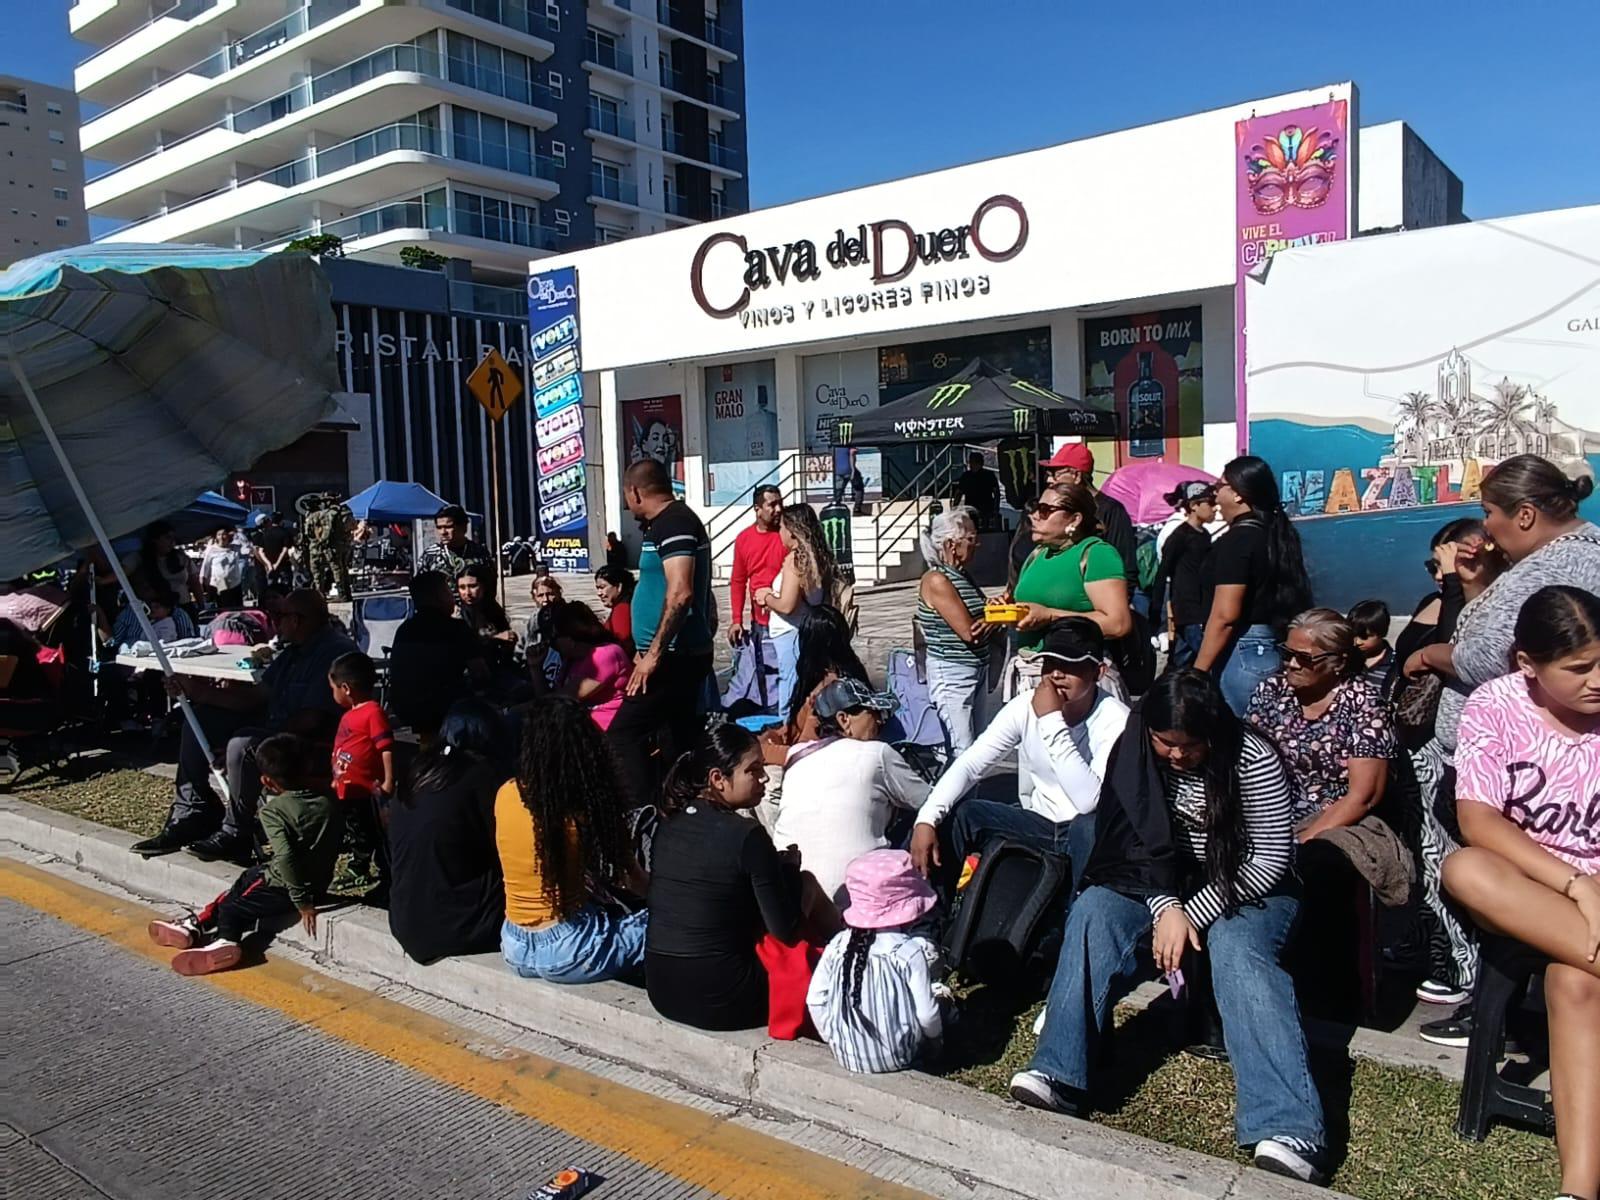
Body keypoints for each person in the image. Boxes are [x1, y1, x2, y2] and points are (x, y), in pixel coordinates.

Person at [1010, 670, 1326, 1185]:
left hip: (1248, 885)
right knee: (1094, 910)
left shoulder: (1253, 757)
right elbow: (1131, 844)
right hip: (1165, 884)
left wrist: (1191, 913)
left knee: (1236, 945)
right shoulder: (1134, 751)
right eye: (1166, 744)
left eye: (1190, 746)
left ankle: (1289, 1126)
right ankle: (1059, 1070)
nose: (1177, 757)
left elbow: (1269, 860)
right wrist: (1165, 908)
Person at [1402, 457, 1599, 1040]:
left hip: (1544, 803)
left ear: (1527, 514)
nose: (1485, 529)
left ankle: (1494, 1003)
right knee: (1470, 869)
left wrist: (1432, 656)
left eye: (1490, 514)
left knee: (1477, 876)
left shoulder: (1568, 566)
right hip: (1518, 801)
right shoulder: (1540, 563)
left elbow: (1491, 655)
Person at [1442, 585, 1599, 1200]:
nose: (1595, 681)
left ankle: (1578, 1188)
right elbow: (1479, 820)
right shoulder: (1496, 704)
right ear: (1527, 665)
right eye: (1578, 669)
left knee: (1577, 981)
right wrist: (1575, 884)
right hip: (1531, 886)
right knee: (1465, 869)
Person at [1246, 608, 1401, 1016]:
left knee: (1317, 864)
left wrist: (1300, 838)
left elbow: (1363, 796)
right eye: (1288, 654)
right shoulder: (1271, 691)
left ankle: (1326, 998)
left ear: (1336, 663)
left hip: (1336, 815)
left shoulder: (1363, 703)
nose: (1292, 664)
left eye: (1305, 658)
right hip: (1272, 806)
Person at [911, 619, 1130, 899]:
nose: (1056, 675)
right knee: (958, 816)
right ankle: (934, 920)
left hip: (1085, 838)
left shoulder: (1117, 721)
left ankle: (1070, 912)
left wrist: (1051, 721)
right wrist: (926, 819)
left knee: (1084, 828)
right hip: (1038, 824)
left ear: (1098, 672)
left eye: (1071, 666)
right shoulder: (1025, 707)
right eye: (1049, 665)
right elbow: (971, 764)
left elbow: (1088, 802)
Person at [133, 589, 357, 863]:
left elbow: (312, 719)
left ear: (298, 620)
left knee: (241, 744)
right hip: (278, 728)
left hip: (312, 745)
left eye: (279, 616)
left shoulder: (334, 652)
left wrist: (260, 745)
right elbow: (257, 697)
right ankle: (193, 809)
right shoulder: (292, 652)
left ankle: (235, 832)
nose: (274, 622)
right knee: (201, 719)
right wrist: (197, 692)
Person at [1394, 518, 1506, 1009]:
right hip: (1420, 741)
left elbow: (1460, 649)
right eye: (1432, 564)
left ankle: (1464, 969)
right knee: (1427, 850)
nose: (1438, 573)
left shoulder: (1480, 608)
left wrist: (1458, 586)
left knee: (1449, 857)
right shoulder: (1438, 600)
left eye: (1446, 561)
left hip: (1455, 748)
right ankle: (1437, 949)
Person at [646, 723, 820, 1030]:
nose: (764, 778)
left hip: (661, 989)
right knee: (807, 885)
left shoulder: (669, 823)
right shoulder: (748, 836)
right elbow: (784, 931)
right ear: (718, 779)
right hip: (723, 998)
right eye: (753, 771)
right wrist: (791, 872)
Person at [147, 733, 343, 975]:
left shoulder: (275, 811)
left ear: (267, 782)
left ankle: (226, 941)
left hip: (285, 886)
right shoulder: (328, 802)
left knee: (233, 907)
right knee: (246, 878)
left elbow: (285, 857)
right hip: (318, 881)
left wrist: (302, 901)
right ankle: (197, 925)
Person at [495, 696, 648, 983]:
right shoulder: (584, 811)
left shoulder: (506, 793)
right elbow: (634, 881)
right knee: (667, 923)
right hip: (570, 950)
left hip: (514, 945)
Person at [608, 458, 716, 807]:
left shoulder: (675, 522)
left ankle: (642, 813)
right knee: (676, 738)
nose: (627, 505)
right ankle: (679, 806)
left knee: (623, 734)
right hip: (671, 654)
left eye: (627, 496)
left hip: (673, 658)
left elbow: (682, 591)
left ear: (635, 491)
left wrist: (652, 655)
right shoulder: (664, 525)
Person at [773, 678, 931, 905]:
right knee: (933, 821)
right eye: (870, 712)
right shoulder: (876, 754)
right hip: (859, 897)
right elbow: (929, 801)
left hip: (794, 897)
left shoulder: (796, 755)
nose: (878, 720)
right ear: (844, 719)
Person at [387, 700, 508, 963]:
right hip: (458, 926)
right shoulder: (482, 775)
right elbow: (506, 846)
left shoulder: (417, 770)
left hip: (404, 918)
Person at [806, 848, 945, 1074]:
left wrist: (833, 1039)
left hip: (845, 1056)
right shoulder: (907, 951)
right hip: (900, 1057)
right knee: (944, 1009)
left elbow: (815, 1001)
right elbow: (927, 1015)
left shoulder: (838, 944)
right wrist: (936, 1042)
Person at [1193, 455, 1312, 716]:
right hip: (1267, 645)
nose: (1215, 495)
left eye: (1219, 486)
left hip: (1242, 649)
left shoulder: (1238, 541)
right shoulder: (1271, 534)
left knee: (1242, 740)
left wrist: (1197, 672)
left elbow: (1225, 615)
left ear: (1237, 494)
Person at [1011, 480, 1132, 653]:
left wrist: (1051, 616)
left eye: (1045, 510)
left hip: (1076, 669)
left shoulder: (1097, 554)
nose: (1034, 516)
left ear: (1074, 520)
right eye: (1035, 508)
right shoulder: (1037, 554)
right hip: (1029, 667)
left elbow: (1118, 624)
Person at [917, 507, 992, 759]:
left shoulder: (961, 575)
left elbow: (979, 617)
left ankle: (971, 798)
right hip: (953, 672)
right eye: (970, 538)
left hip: (976, 668)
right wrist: (996, 618)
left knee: (977, 749)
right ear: (951, 544)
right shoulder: (937, 580)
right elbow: (969, 631)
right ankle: (956, 799)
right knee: (962, 751)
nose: (977, 544)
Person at [1010, 444, 1137, 587]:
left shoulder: (1111, 511)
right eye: (1048, 474)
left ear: (1076, 476)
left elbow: (1125, 567)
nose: (1049, 480)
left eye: (1055, 474)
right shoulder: (1049, 507)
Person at [755, 505, 837, 717]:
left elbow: (787, 605)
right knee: (806, 684)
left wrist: (766, 597)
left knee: (790, 685)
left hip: (791, 632)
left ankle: (787, 730)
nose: (779, 532)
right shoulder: (818, 555)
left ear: (792, 530)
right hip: (809, 629)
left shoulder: (795, 559)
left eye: (782, 527)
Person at [386, 571, 488, 736]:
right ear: (439, 596)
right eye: (448, 591)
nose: (452, 596)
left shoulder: (405, 629)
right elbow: (481, 673)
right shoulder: (455, 628)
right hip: (445, 710)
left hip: (405, 708)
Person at [328, 650, 394, 883]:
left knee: (369, 829)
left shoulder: (372, 713)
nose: (332, 693)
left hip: (366, 788)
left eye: (333, 688)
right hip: (348, 786)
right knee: (355, 827)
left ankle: (371, 865)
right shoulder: (349, 715)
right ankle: (361, 861)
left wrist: (388, 779)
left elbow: (385, 747)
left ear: (346, 688)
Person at [1148, 482, 1217, 671]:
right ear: (1194, 506)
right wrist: (1155, 613)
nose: (1215, 507)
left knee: (1180, 661)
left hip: (1202, 608)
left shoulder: (1205, 535)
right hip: (1188, 608)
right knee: (1207, 659)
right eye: (1210, 502)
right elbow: (1162, 573)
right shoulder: (1179, 536)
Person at [728, 486, 785, 683]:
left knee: (787, 675)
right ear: (757, 508)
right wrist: (736, 620)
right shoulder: (744, 539)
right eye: (772, 504)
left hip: (787, 619)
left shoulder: (787, 535)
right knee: (763, 674)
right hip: (760, 622)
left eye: (780, 503)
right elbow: (738, 581)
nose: (778, 509)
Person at [549, 599, 633, 730]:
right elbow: (550, 696)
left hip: (607, 729)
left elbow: (565, 697)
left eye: (555, 637)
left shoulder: (606, 654)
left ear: (569, 639)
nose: (552, 642)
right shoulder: (572, 658)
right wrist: (534, 667)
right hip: (583, 728)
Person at [418, 504, 493, 593]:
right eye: (439, 527)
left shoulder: (479, 553)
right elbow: (420, 588)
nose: (443, 532)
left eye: (448, 527)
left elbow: (490, 585)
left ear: (463, 527)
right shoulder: (430, 555)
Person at [126, 521, 197, 611]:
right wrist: (103, 581)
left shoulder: (181, 557)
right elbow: (122, 572)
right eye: (167, 538)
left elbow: (194, 582)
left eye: (173, 538)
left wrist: (201, 605)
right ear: (155, 539)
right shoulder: (140, 557)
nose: (172, 542)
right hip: (158, 610)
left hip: (184, 605)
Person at [456, 565, 517, 669]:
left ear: (483, 586)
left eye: (473, 586)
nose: (467, 593)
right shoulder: (457, 615)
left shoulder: (493, 610)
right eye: (462, 588)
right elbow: (463, 647)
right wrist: (495, 639)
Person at [1348, 599, 1394, 686]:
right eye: (1353, 635)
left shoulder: (1394, 665)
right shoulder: (1347, 658)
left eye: (1364, 636)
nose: (1357, 642)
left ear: (1382, 632)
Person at [593, 564, 635, 652]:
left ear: (619, 586)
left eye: (602, 587)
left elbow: (622, 641)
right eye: (597, 588)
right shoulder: (627, 604)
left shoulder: (622, 609)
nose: (599, 593)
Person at [250, 512, 295, 593]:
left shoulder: (264, 534)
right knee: (285, 588)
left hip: (269, 567)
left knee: (271, 589)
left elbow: (260, 551)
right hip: (278, 566)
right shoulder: (284, 533)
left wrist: (269, 565)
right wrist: (273, 564)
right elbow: (286, 550)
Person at [952, 452, 1001, 525]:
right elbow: (996, 493)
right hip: (985, 507)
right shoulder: (989, 475)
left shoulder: (966, 476)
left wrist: (954, 507)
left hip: (975, 507)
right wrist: (996, 508)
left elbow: (959, 493)